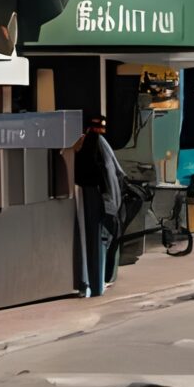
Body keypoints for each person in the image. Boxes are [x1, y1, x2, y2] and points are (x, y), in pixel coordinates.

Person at [73, 114, 124, 298]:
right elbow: (113, 175)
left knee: (91, 242)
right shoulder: (100, 145)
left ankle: (92, 284)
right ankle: (96, 284)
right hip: (99, 198)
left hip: (90, 197)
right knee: (99, 242)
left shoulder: (87, 143)